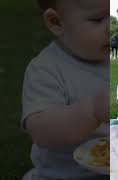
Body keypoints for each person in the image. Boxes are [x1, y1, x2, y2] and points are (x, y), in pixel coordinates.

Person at [21, 0, 109, 179]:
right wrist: (92, 110)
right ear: (56, 22)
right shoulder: (46, 69)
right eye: (98, 19)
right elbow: (42, 132)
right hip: (63, 174)